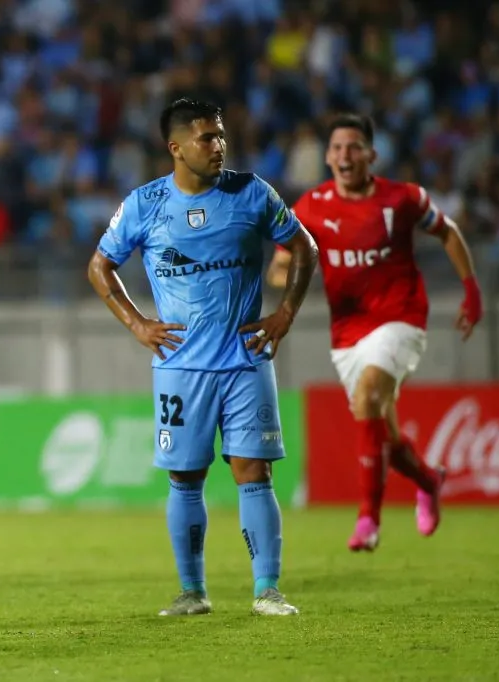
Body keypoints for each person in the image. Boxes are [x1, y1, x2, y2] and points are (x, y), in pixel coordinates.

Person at [88, 98, 318, 617]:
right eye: (205, 138)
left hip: (245, 360)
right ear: (175, 148)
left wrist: (284, 316)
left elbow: (304, 246)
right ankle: (193, 591)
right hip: (180, 367)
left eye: (219, 135)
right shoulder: (145, 204)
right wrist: (138, 324)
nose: (218, 146)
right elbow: (100, 268)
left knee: (253, 472)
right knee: (185, 478)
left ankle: (267, 589)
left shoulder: (251, 192)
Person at [266, 113, 482, 552]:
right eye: (338, 149)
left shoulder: (402, 198)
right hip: (347, 332)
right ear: (327, 158)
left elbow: (449, 232)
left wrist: (471, 289)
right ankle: (428, 479)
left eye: (354, 147)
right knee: (384, 433)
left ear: (371, 155)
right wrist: (288, 269)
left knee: (368, 396)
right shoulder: (310, 207)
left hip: (401, 319)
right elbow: (279, 268)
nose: (345, 155)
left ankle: (368, 520)